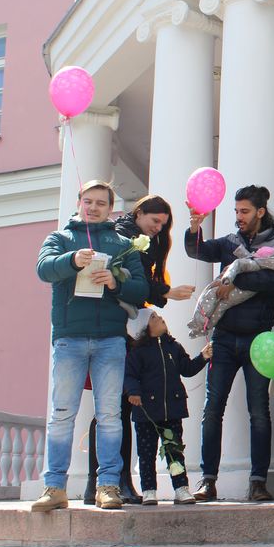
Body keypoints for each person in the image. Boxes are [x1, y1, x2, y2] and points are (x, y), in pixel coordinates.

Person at [33, 180, 148, 512]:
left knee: (110, 415)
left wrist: (115, 282)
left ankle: (108, 486)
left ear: (110, 209)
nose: (94, 207)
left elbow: (141, 290)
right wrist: (72, 260)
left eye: (101, 203)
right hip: (69, 338)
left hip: (110, 340)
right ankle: (55, 487)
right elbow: (43, 270)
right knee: (62, 414)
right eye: (88, 201)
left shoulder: (123, 245)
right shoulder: (60, 238)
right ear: (79, 203)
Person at [82, 195, 196, 505]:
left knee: (116, 407)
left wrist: (163, 293)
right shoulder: (123, 237)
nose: (158, 228)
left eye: (163, 224)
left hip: (127, 326)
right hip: (113, 325)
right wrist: (166, 291)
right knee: (113, 408)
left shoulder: (145, 240)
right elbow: (136, 282)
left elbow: (143, 286)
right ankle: (108, 480)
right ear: (139, 213)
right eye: (155, 221)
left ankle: (107, 480)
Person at [185, 185, 274, 502]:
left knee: (259, 412)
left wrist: (232, 278)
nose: (239, 217)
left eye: (244, 211)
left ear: (260, 211)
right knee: (212, 410)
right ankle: (207, 480)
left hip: (259, 341)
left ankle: (258, 482)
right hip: (223, 339)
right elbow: (198, 251)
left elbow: (273, 281)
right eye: (236, 211)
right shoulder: (230, 242)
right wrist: (194, 228)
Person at [123, 308, 211, 506]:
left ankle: (181, 488)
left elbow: (187, 369)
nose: (160, 318)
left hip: (172, 410)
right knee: (146, 454)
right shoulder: (138, 352)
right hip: (146, 412)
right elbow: (129, 375)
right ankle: (149, 491)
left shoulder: (174, 347)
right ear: (144, 328)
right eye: (153, 318)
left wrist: (203, 357)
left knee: (174, 451)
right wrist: (133, 392)